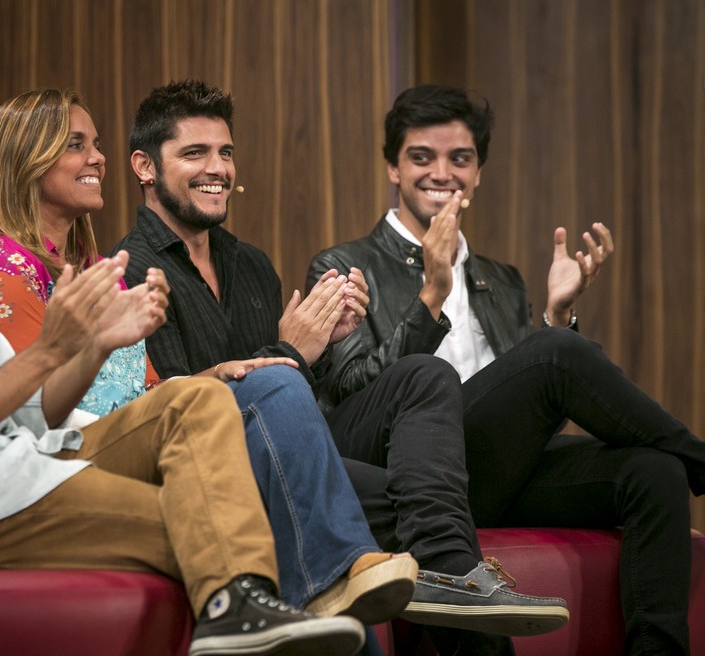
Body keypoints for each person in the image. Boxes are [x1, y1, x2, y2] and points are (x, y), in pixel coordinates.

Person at [0, 58, 386, 656]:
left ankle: (241, 614)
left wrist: (92, 345)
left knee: (195, 398)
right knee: (223, 526)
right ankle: (253, 612)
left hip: (21, 466)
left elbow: (32, 414)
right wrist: (51, 349)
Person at [110, 79, 569, 652]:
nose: (217, 168)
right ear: (145, 167)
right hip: (224, 475)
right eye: (194, 153)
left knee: (427, 377)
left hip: (300, 447)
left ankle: (451, 573)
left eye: (225, 152)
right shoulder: (127, 272)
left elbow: (300, 394)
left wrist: (324, 346)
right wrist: (291, 353)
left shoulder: (250, 265)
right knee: (425, 508)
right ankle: (451, 571)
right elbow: (173, 409)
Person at [0, 88, 420, 638]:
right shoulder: (1, 269)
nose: (97, 158)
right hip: (69, 466)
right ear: (27, 162)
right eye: (76, 145)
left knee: (379, 424)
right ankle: (341, 576)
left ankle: (360, 581)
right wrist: (274, 359)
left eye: (96, 143)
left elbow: (153, 392)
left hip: (159, 440)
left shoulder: (94, 266)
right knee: (278, 392)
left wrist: (220, 374)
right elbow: (36, 411)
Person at [308, 83, 705, 656]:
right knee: (555, 354)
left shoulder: (503, 278)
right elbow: (351, 395)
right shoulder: (345, 264)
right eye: (422, 157)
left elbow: (524, 399)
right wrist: (431, 295)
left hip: (488, 472)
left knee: (655, 471)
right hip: (407, 475)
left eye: (460, 159)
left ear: (479, 174)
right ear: (393, 168)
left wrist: (554, 314)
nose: (441, 173)